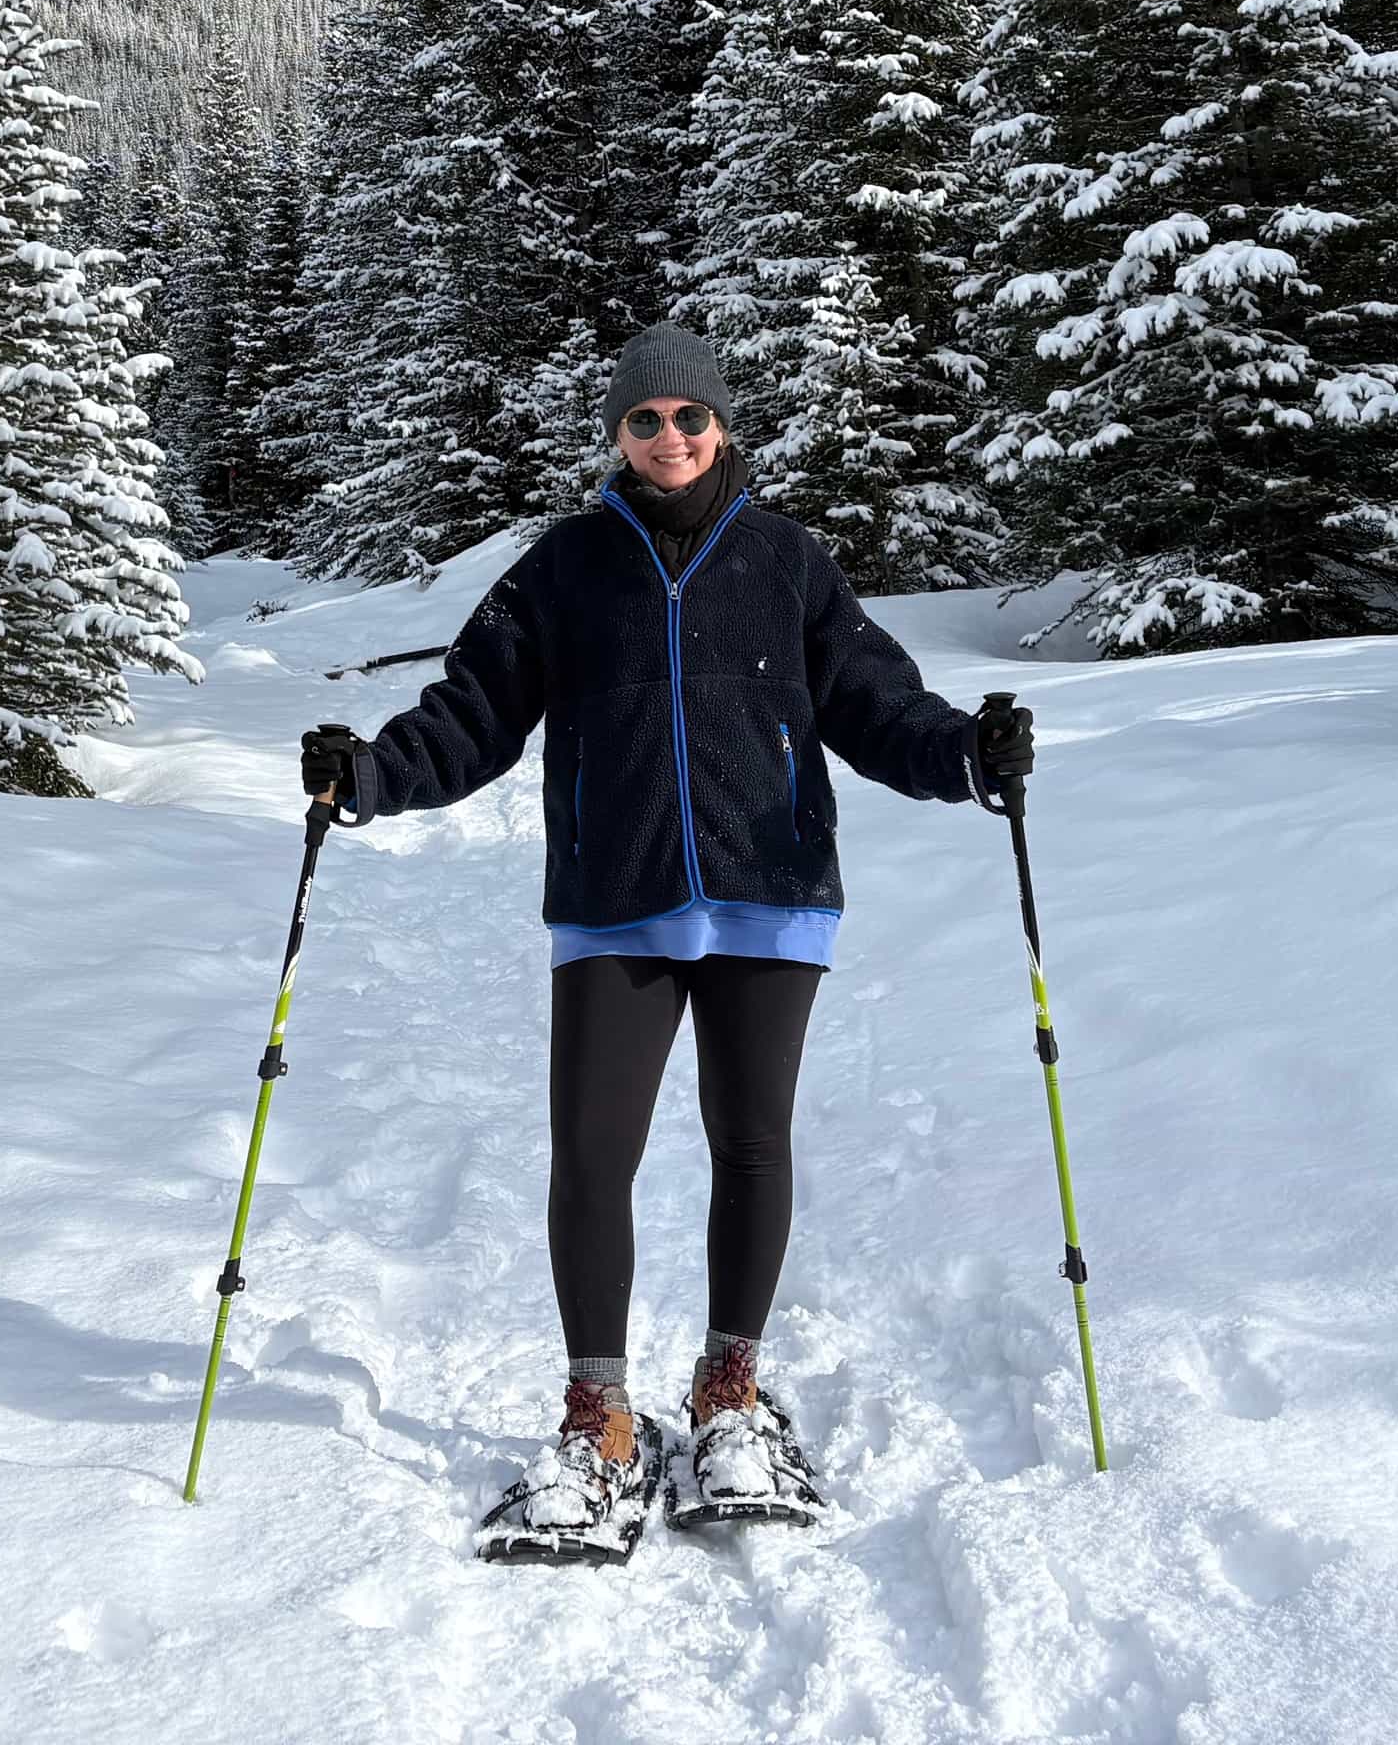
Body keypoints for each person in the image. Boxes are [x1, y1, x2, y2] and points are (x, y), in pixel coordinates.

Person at [302, 321, 1035, 1558]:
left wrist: (968, 753)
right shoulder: (564, 566)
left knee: (752, 1141)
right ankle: (600, 1417)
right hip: (615, 899)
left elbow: (875, 703)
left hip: (773, 890)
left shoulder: (790, 560)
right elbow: (471, 713)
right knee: (593, 1153)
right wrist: (368, 777)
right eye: (646, 421)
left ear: (723, 425)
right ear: (617, 434)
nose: (672, 439)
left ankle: (730, 1393)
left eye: (691, 418)